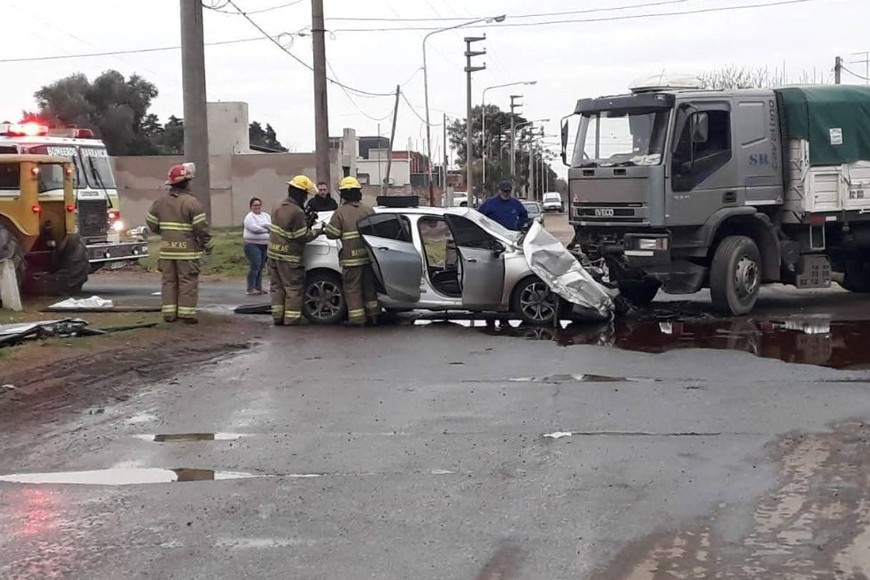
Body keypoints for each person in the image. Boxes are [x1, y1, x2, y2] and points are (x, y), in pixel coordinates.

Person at [146, 162, 213, 324]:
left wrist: (165, 234)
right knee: (187, 281)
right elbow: (201, 228)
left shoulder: (159, 202)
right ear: (187, 182)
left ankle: (169, 314)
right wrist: (208, 244)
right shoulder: (192, 203)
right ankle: (186, 314)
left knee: (169, 281)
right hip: (187, 252)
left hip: (167, 250)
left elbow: (151, 223)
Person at [324, 176, 379, 327]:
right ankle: (373, 316)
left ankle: (358, 320)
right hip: (368, 258)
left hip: (351, 260)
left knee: (353, 289)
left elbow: (331, 234)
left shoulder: (340, 212)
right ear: (358, 193)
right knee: (369, 288)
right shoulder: (368, 210)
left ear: (343, 195)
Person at [268, 175, 319, 326]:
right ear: (301, 194)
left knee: (276, 287)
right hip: (289, 257)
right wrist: (317, 231)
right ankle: (292, 318)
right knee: (293, 288)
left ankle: (278, 316)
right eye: (305, 195)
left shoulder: (277, 205)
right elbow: (301, 236)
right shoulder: (297, 212)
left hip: (272, 254)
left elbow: (284, 229)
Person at [243, 197, 271, 295]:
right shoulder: (249, 217)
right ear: (251, 206)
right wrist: (266, 229)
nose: (257, 207)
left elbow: (271, 225)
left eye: (259, 205)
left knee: (261, 267)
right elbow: (254, 228)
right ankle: (250, 288)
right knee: (255, 265)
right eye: (255, 205)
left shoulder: (266, 216)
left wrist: (264, 225)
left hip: (265, 245)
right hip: (252, 245)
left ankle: (258, 287)